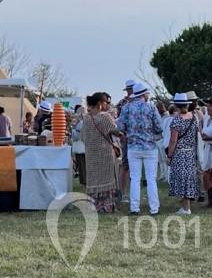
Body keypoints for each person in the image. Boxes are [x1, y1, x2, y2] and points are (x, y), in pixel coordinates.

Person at [116, 81, 163, 215]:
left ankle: (134, 208)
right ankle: (154, 208)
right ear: (144, 94)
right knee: (151, 179)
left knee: (135, 178)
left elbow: (120, 126)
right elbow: (159, 127)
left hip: (133, 147)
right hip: (149, 147)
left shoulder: (127, 108)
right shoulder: (151, 107)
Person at [82, 92, 122, 213]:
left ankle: (94, 205)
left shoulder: (86, 118)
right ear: (100, 103)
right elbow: (115, 131)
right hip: (105, 154)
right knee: (106, 179)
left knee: (94, 179)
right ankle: (106, 206)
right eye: (106, 102)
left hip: (90, 154)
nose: (107, 105)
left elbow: (83, 137)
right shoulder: (105, 116)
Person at [165, 93, 202, 215]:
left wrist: (169, 156)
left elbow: (173, 141)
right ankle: (186, 206)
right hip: (190, 153)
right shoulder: (194, 118)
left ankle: (186, 208)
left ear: (176, 106)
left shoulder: (176, 120)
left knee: (181, 179)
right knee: (189, 178)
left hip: (180, 153)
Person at [198, 99, 212, 208]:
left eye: (210, 106)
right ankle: (211, 198)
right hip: (207, 147)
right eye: (207, 106)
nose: (208, 108)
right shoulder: (208, 119)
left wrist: (209, 138)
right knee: (206, 173)